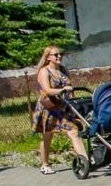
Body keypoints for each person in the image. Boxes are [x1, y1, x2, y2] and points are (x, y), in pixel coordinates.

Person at [31, 46, 88, 174]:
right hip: (49, 108)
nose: (59, 56)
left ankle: (85, 162)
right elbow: (47, 90)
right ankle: (45, 164)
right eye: (55, 55)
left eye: (60, 54)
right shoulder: (44, 71)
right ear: (48, 57)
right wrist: (61, 90)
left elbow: (70, 88)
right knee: (48, 135)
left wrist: (73, 102)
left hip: (63, 107)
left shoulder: (63, 70)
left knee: (74, 131)